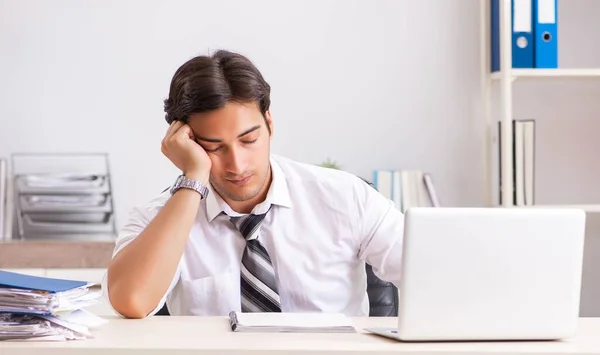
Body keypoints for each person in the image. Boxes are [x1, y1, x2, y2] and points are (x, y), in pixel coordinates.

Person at [102, 49, 405, 319]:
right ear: (186, 142)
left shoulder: (345, 197)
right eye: (213, 147)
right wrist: (193, 176)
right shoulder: (158, 217)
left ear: (269, 124)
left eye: (249, 140)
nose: (237, 165)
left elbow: (434, 275)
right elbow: (132, 301)